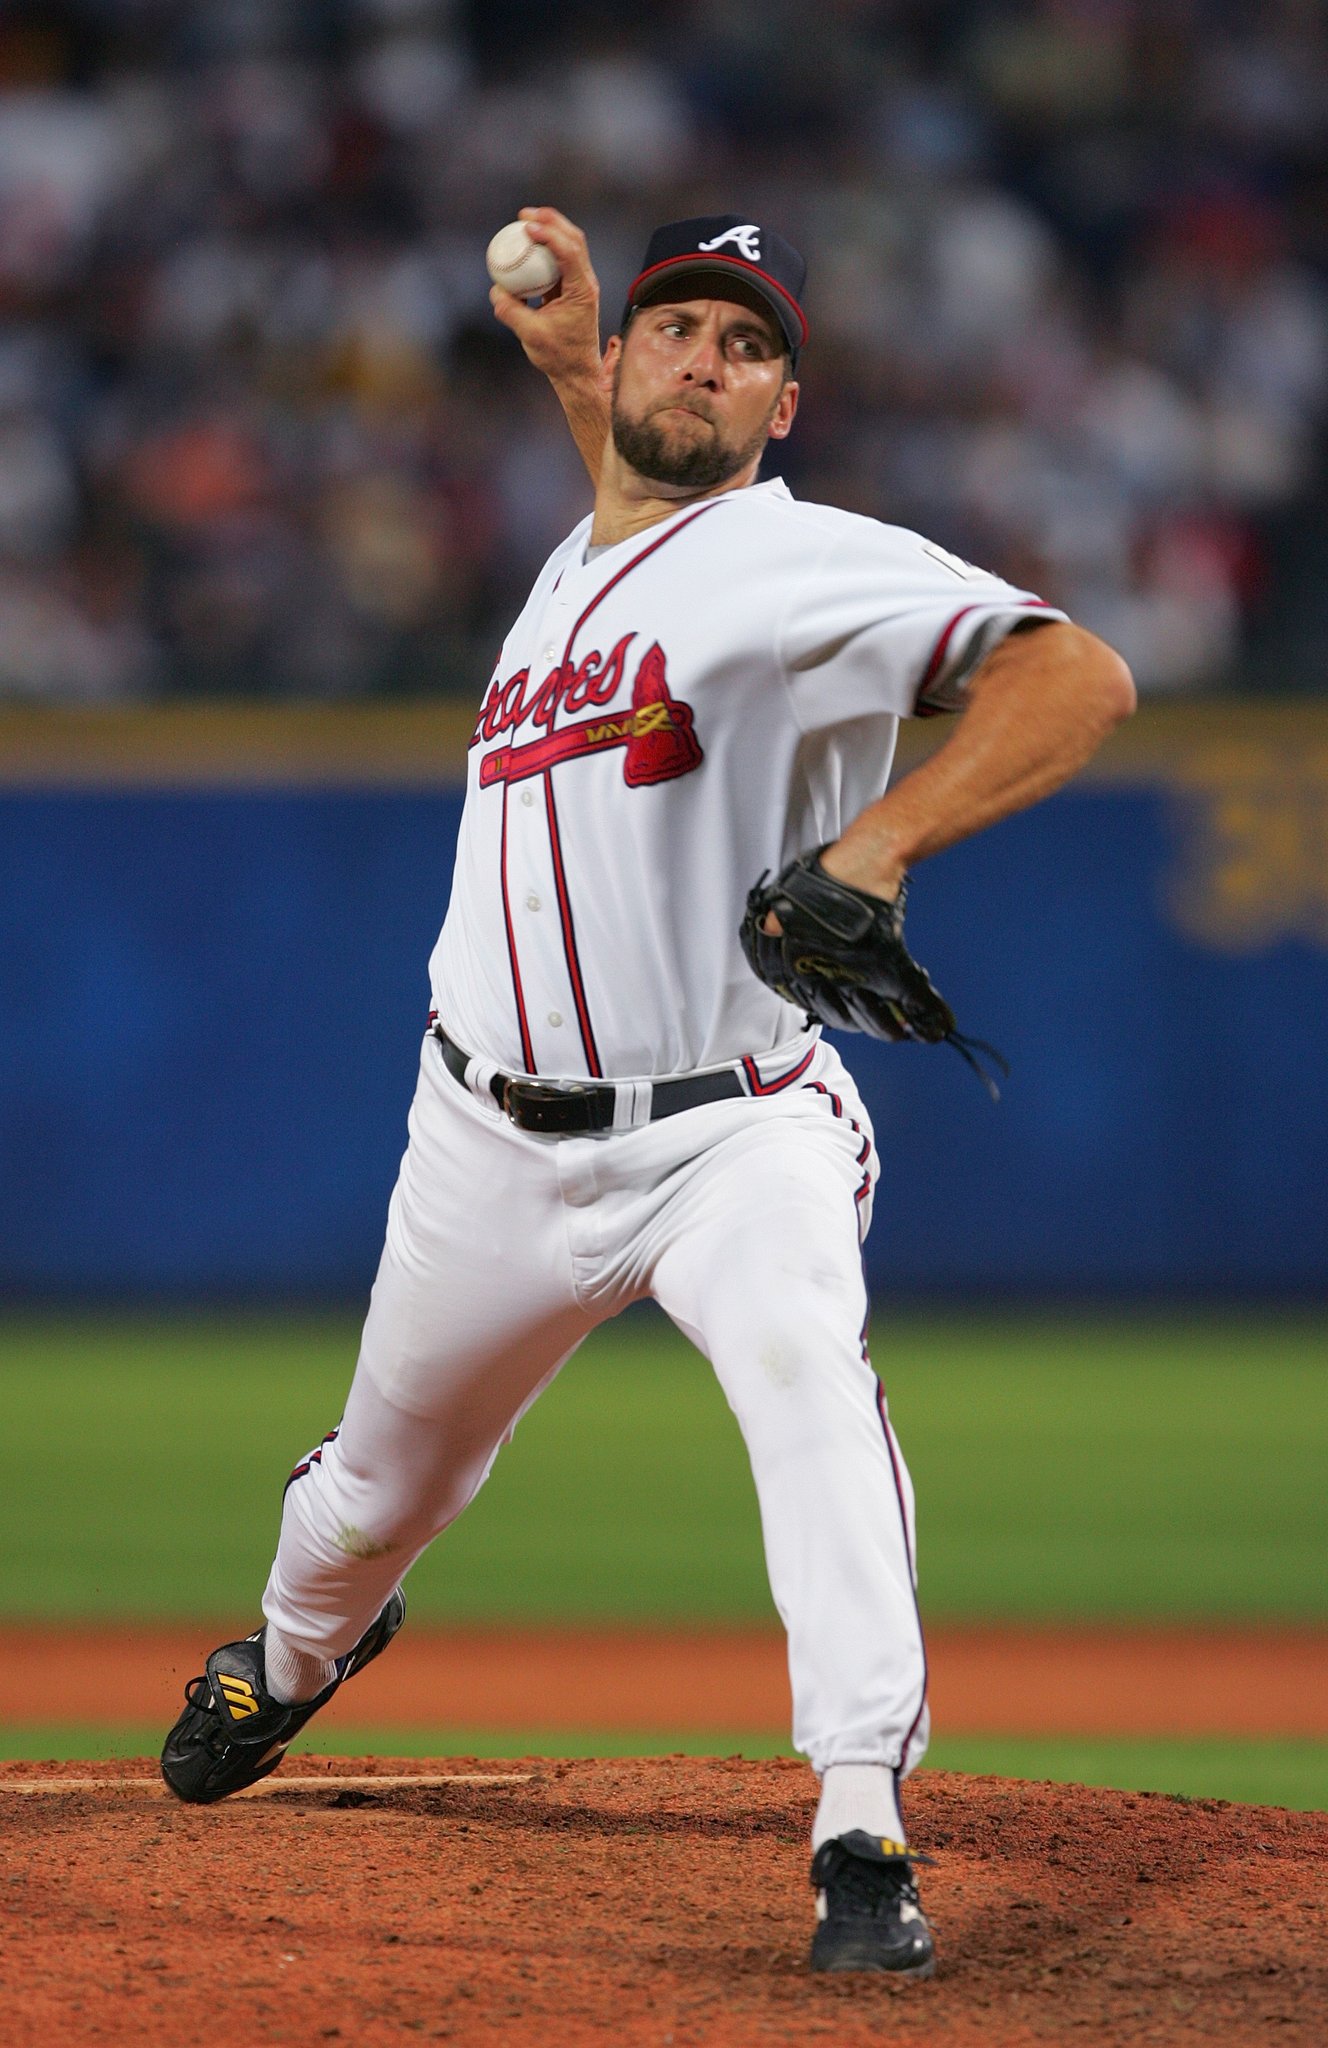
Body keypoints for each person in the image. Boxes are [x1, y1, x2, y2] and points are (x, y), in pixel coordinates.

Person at [162, 209, 1134, 1974]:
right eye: (679, 327)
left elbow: (1080, 673)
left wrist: (888, 842)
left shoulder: (807, 562)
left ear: (785, 409)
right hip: (480, 1135)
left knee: (802, 1379)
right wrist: (568, 353)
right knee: (366, 1508)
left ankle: (861, 1821)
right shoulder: (596, 549)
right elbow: (634, 488)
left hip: (731, 1125)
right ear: (620, 369)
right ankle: (300, 1658)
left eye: (746, 345)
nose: (705, 356)